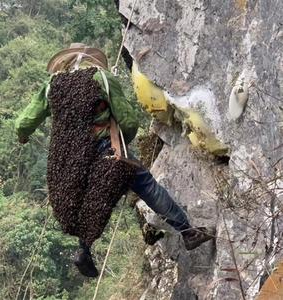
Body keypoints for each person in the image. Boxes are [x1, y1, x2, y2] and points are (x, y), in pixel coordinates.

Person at [15, 43, 216, 278]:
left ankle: (84, 251)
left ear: (66, 63)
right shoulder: (100, 78)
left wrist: (23, 136)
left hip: (65, 161)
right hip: (104, 149)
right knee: (145, 185)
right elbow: (128, 120)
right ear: (91, 61)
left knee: (86, 199)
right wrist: (123, 144)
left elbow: (23, 123)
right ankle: (188, 232)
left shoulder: (52, 86)